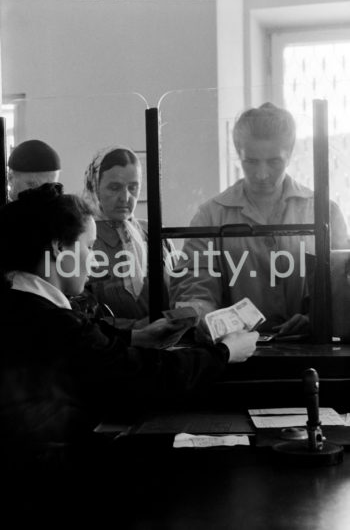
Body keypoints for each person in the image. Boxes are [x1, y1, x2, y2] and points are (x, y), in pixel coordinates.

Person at [0, 183, 258, 448]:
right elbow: (145, 377)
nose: (94, 260)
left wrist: (138, 337)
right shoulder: (57, 326)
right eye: (89, 246)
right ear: (58, 248)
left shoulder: (18, 308)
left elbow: (95, 353)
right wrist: (225, 352)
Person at [170, 102, 349, 337]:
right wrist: (203, 316)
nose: (262, 174)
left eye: (275, 162)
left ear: (291, 154)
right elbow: (195, 284)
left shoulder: (325, 212)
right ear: (238, 154)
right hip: (234, 354)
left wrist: (314, 318)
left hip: (311, 350)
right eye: (251, 162)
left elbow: (341, 291)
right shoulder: (210, 215)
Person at [82, 146, 175, 327]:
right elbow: (81, 316)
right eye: (114, 187)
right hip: (112, 350)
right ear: (94, 187)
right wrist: (138, 329)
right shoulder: (82, 239)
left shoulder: (153, 233)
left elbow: (178, 292)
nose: (125, 197)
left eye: (133, 187)